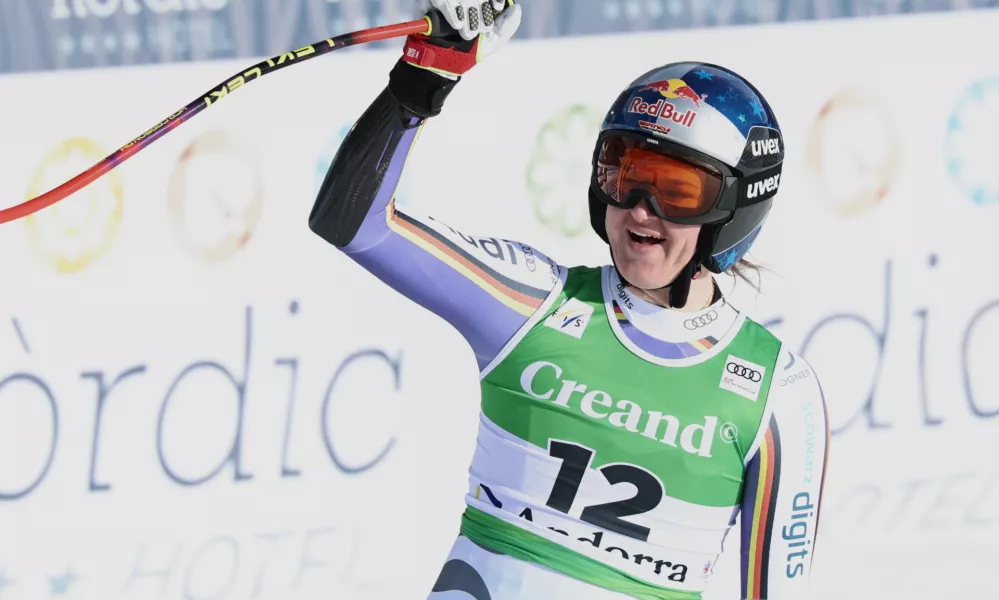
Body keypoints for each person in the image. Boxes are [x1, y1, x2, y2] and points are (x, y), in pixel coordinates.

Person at [308, 1, 830, 598]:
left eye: (678, 190)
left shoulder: (778, 394)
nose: (641, 209)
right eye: (623, 173)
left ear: (735, 211)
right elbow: (356, 224)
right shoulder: (535, 303)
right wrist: (425, 75)